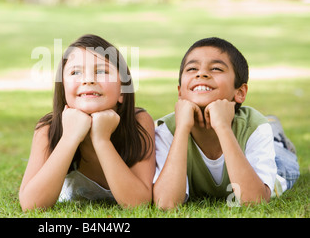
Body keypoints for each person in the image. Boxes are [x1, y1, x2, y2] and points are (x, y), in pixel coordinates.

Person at [153, 37, 299, 209]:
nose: (201, 74)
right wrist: (182, 129)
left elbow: (254, 200)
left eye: (216, 68)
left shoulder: (254, 126)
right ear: (180, 92)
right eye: (192, 68)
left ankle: (276, 136)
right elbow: (166, 203)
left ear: (240, 92)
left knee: (284, 166)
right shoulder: (167, 130)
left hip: (274, 163)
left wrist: (223, 127)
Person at [19, 34, 155, 211]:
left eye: (101, 71)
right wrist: (69, 138)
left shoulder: (138, 122)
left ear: (122, 90)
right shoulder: (48, 129)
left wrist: (102, 140)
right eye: (75, 72)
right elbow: (31, 205)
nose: (88, 80)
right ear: (63, 89)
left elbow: (138, 204)